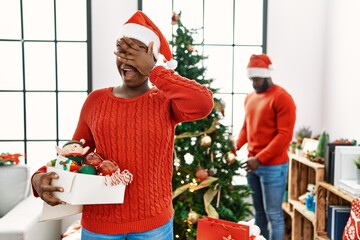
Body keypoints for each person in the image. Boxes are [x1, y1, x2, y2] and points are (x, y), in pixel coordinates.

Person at [31, 10, 214, 240]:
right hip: (100, 227)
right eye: (121, 51)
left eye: (136, 52)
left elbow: (203, 103)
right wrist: (38, 177)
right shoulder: (95, 101)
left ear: (152, 57)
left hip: (153, 227)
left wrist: (156, 71)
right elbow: (73, 153)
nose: (126, 60)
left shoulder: (165, 100)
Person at [236, 53, 296, 240]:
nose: (254, 83)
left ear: (267, 74)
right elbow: (247, 127)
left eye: (258, 79)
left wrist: (259, 159)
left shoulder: (282, 98)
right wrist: (235, 147)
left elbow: (284, 136)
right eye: (252, 79)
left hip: (273, 166)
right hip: (252, 165)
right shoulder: (249, 98)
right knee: (259, 214)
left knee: (274, 216)